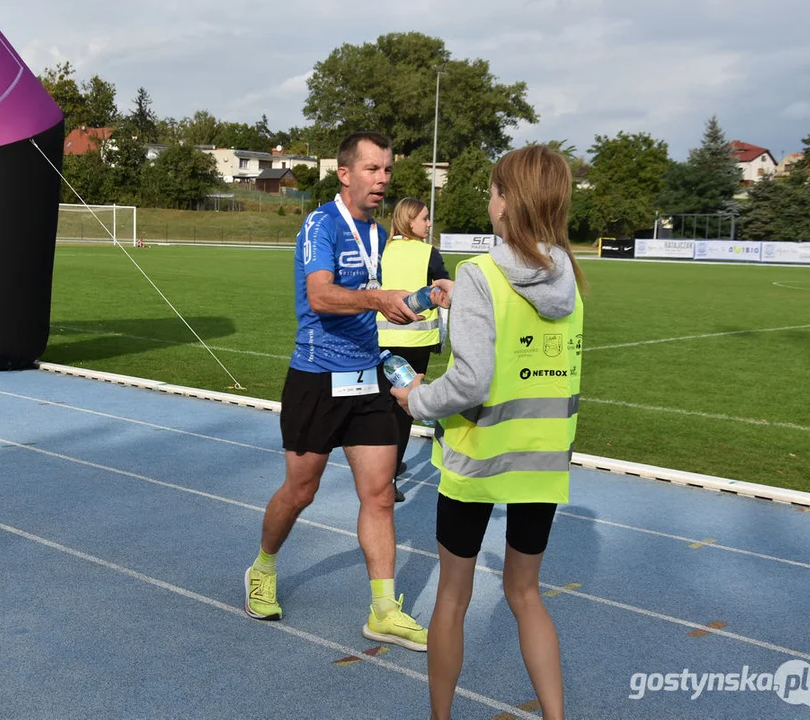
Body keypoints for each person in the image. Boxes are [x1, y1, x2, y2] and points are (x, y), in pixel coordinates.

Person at [391, 145, 587, 719]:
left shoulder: (481, 273)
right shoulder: (570, 277)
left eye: (494, 190)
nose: (489, 199)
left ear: (507, 203)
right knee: (527, 594)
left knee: (452, 596)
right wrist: (465, 307)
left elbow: (472, 381)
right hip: (544, 459)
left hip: (477, 458)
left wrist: (415, 399)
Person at [243, 131, 429, 652]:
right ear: (345, 174)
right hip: (316, 377)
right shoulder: (320, 224)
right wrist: (377, 299)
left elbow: (375, 297)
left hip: (366, 376)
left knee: (380, 494)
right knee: (302, 490)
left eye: (388, 170)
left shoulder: (376, 234)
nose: (383, 179)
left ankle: (385, 610)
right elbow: (321, 295)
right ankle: (263, 566)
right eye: (373, 169)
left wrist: (423, 296)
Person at [377, 197, 451, 502]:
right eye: (424, 218)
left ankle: (384, 468)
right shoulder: (427, 253)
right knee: (404, 413)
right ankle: (388, 477)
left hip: (380, 341)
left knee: (382, 410)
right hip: (416, 344)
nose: (429, 223)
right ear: (409, 221)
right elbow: (446, 286)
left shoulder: (381, 250)